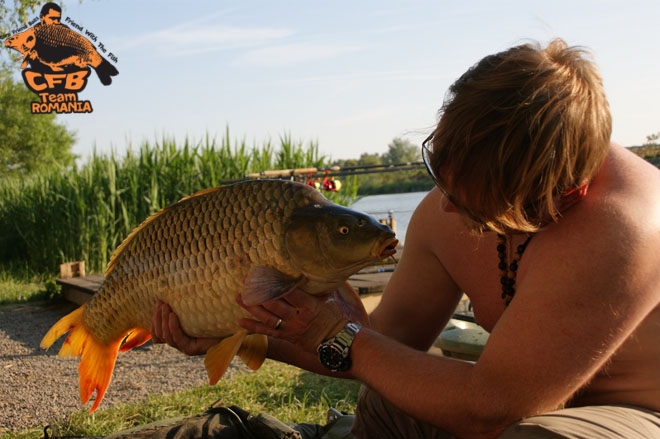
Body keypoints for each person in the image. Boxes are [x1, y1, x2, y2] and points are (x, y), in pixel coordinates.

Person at [151, 38, 660, 438]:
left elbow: (490, 409)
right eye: (439, 170)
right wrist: (237, 332)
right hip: (512, 403)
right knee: (391, 392)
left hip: (634, 415)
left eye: (474, 205)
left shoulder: (625, 229)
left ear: (556, 195)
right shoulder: (450, 204)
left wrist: (342, 337)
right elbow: (379, 346)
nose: (442, 207)